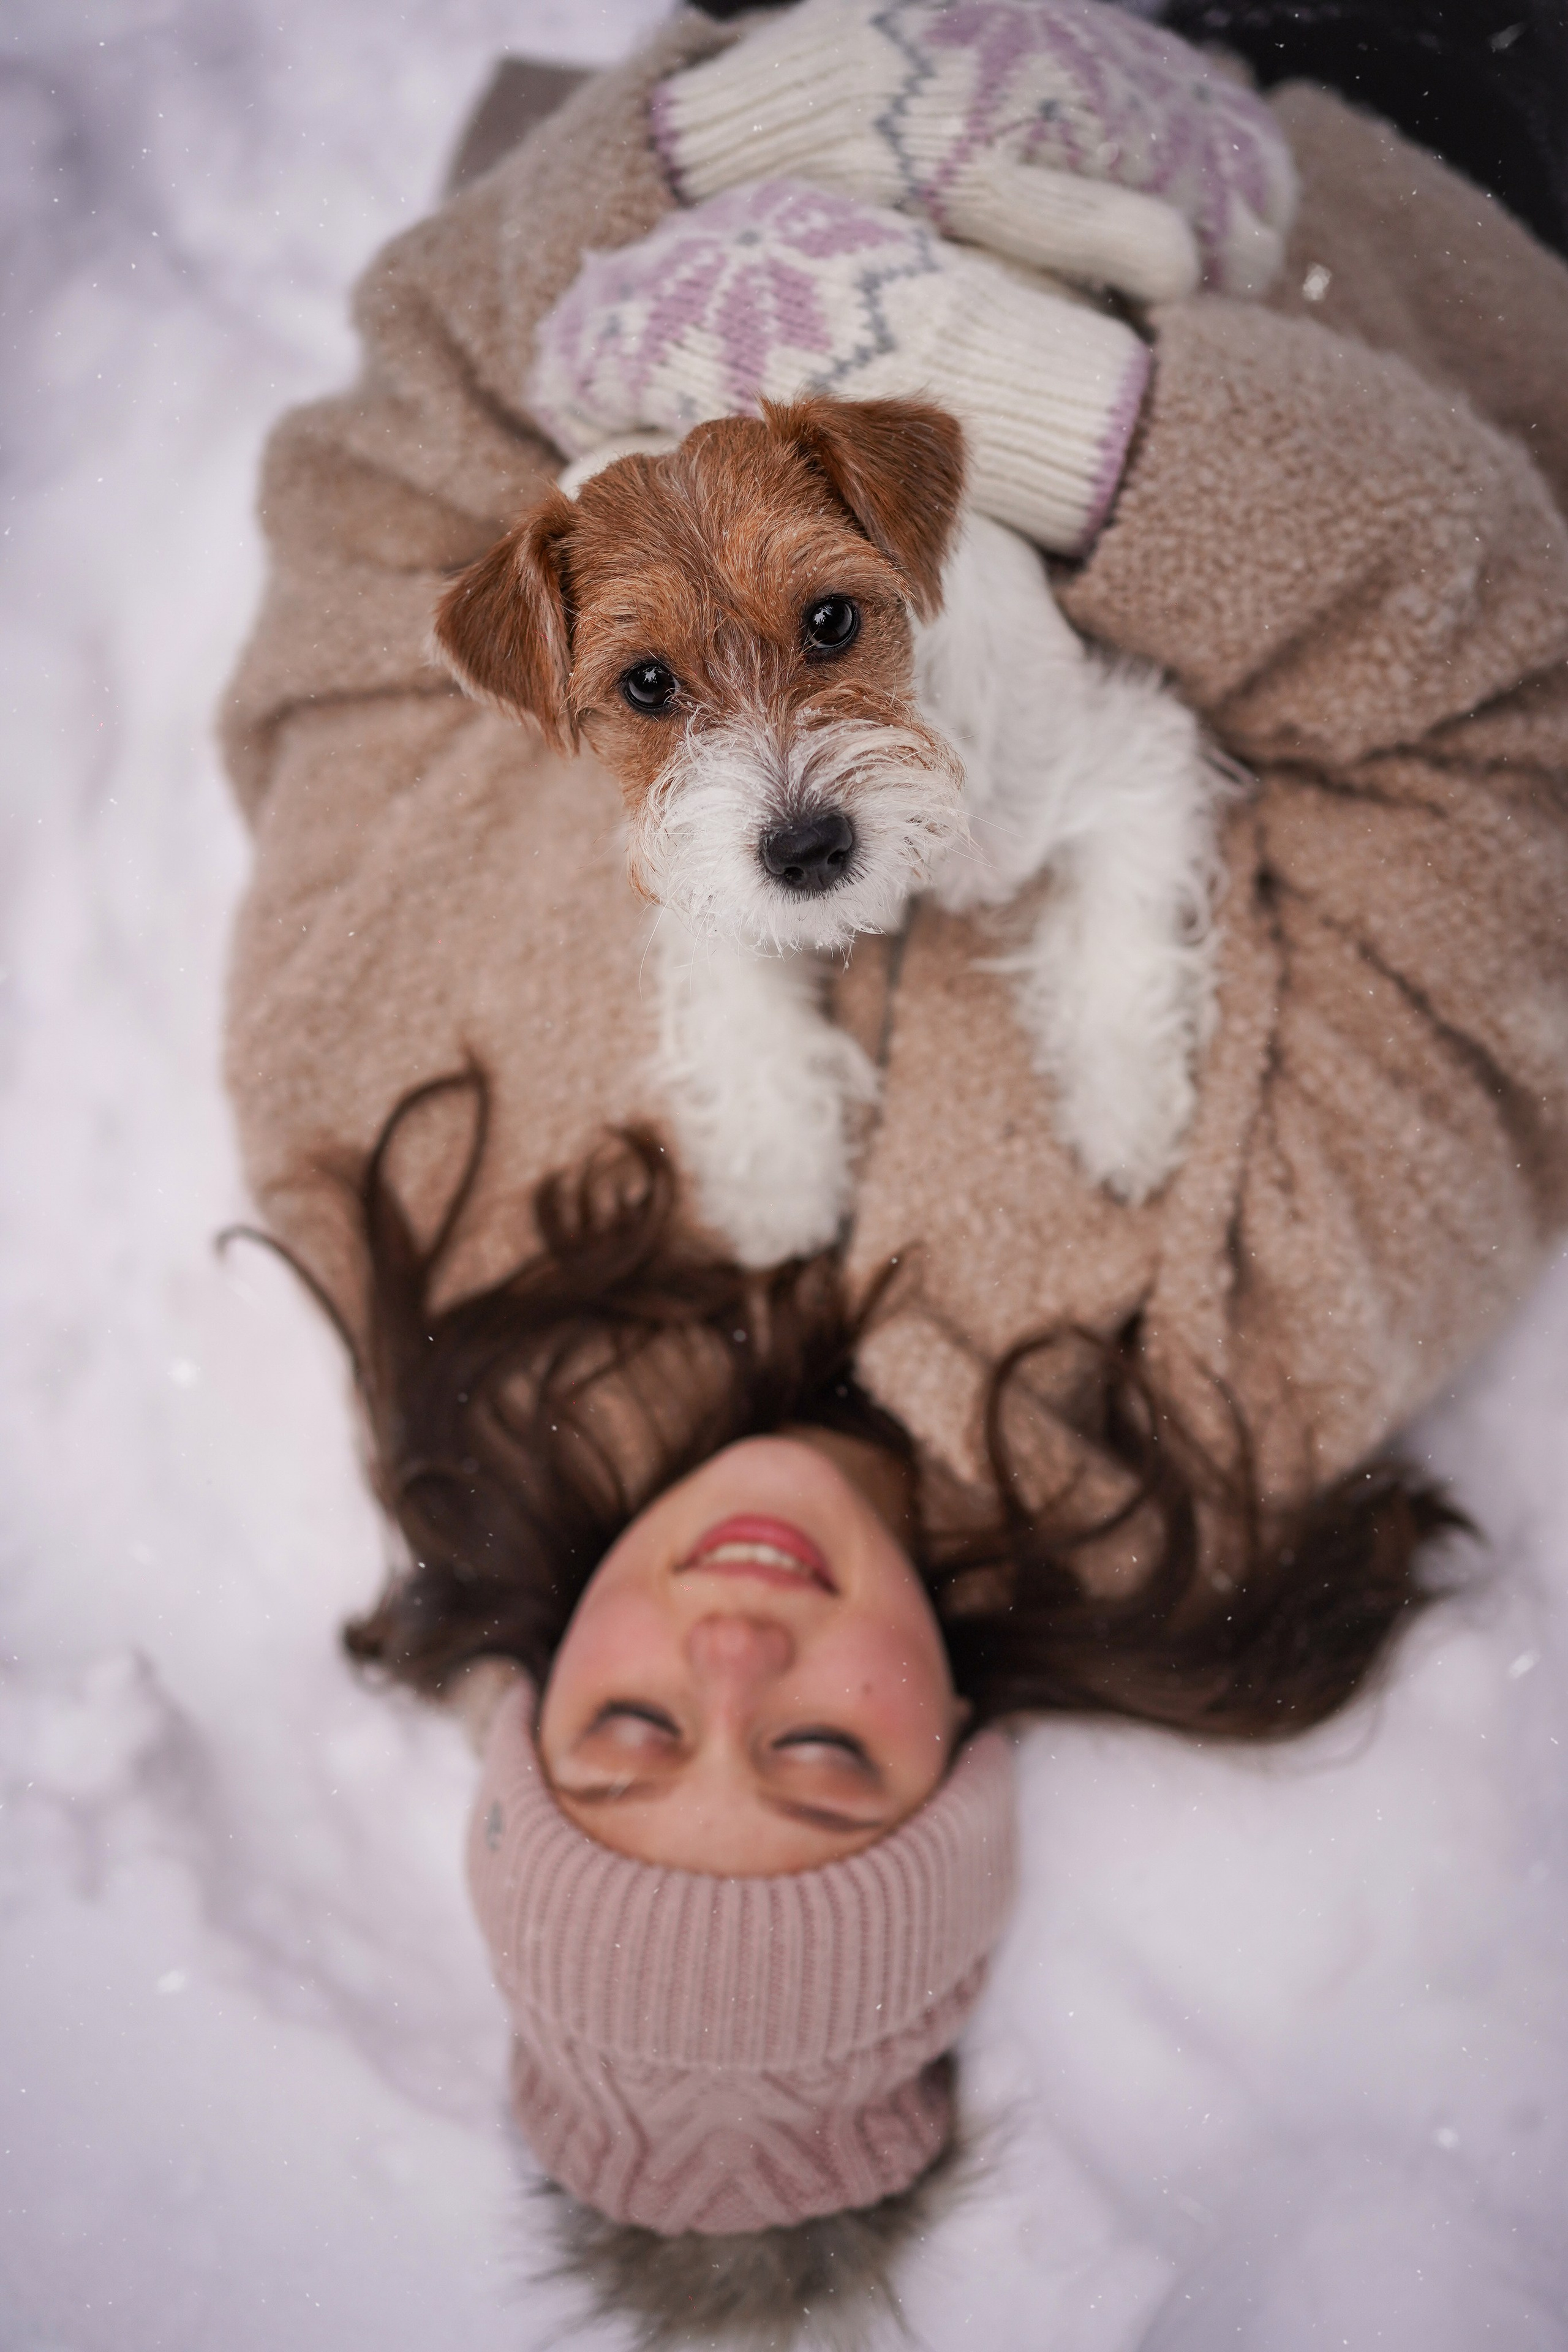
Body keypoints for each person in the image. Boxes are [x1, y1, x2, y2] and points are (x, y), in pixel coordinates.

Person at [219, 3, 1568, 2343]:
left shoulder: (385, 1175)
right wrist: (1091, 424)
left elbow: (374, 520)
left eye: (635, 1739)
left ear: (527, 1717)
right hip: (1349, 202)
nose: (737, 1651)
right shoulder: (1238, 1372)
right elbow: (1509, 751)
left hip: (789, 98)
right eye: (823, 1761)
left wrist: (672, 161)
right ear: (965, 1775)